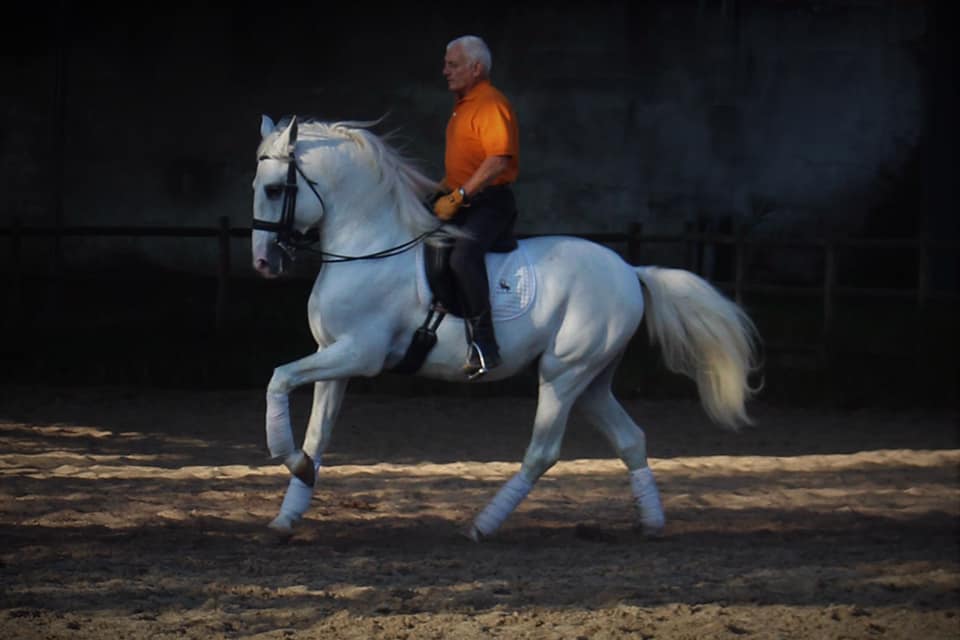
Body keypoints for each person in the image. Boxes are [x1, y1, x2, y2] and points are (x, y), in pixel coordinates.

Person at [433, 35, 520, 380]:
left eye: (452, 65)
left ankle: (485, 345)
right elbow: (462, 167)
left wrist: (458, 197)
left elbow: (498, 161)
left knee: (463, 256)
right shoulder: (463, 107)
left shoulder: (490, 104)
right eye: (446, 64)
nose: (445, 71)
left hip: (490, 203)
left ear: (476, 68)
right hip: (464, 198)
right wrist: (437, 192)